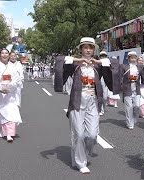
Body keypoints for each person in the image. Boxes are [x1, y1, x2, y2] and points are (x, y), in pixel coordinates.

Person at [54, 37, 118, 174]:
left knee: (92, 135)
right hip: (77, 101)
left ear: (94, 50)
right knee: (79, 134)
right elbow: (60, 60)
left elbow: (115, 64)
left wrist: (98, 61)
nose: (88, 50)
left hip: (93, 102)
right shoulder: (75, 65)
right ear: (81, 49)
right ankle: (81, 163)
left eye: (91, 47)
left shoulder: (98, 65)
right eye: (85, 47)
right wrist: (78, 60)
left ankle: (80, 152)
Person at [0, 48, 23, 142]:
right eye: (2, 53)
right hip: (0, 93)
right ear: (0, 55)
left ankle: (9, 134)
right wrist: (1, 88)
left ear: (9, 55)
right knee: (2, 112)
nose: (4, 55)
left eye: (6, 53)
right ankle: (3, 131)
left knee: (11, 111)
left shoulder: (12, 67)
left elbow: (16, 78)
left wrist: (10, 87)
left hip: (10, 92)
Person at [119, 51, 144, 129]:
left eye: (134, 58)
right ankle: (129, 123)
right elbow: (119, 75)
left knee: (137, 106)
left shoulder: (138, 67)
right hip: (127, 89)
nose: (133, 59)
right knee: (129, 107)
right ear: (128, 58)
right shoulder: (124, 66)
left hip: (136, 89)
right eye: (131, 57)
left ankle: (134, 119)